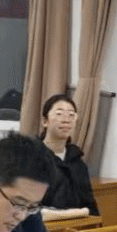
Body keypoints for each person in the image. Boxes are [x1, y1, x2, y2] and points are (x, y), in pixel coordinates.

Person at [36, 93, 99, 221]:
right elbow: (30, 211)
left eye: (71, 115)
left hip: (76, 229)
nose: (66, 120)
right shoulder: (30, 158)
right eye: (59, 114)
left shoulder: (78, 163)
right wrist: (80, 212)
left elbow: (91, 208)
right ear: (44, 121)